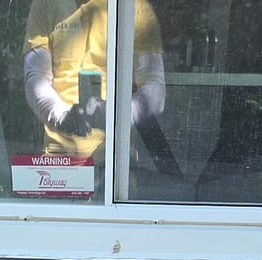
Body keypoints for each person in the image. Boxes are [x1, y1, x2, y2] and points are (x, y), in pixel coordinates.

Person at [23, 0, 165, 161]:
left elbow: (155, 86)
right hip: (60, 158)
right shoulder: (46, 3)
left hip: (116, 161)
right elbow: (35, 77)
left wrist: (120, 116)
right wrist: (62, 117)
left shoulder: (134, 6)